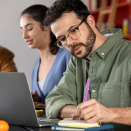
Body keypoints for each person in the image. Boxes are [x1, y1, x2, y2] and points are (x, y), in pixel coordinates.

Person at [44, 0, 131, 130]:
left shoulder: (128, 54)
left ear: (90, 21)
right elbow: (52, 101)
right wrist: (80, 111)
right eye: (62, 39)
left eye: (73, 30)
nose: (70, 42)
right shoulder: (76, 61)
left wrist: (111, 114)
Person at [20, 4, 71, 107]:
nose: (24, 36)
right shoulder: (36, 65)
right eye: (22, 30)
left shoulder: (67, 55)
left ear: (47, 26)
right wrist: (37, 100)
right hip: (43, 122)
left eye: (29, 28)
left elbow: (78, 97)